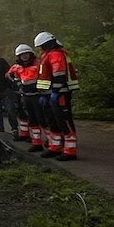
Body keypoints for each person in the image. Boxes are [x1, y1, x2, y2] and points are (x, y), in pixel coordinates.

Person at [35, 32, 79, 160]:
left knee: (64, 121)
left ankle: (70, 150)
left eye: (42, 46)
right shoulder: (47, 55)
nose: (41, 48)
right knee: (53, 121)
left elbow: (59, 74)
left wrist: (55, 91)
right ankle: (55, 147)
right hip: (50, 94)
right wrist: (44, 93)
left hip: (60, 93)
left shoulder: (56, 54)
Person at [8, 45, 39, 144]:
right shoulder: (17, 66)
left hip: (38, 95)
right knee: (23, 115)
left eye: (26, 54)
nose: (24, 56)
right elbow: (8, 74)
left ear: (31, 54)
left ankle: (46, 140)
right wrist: (15, 81)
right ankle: (26, 134)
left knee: (38, 117)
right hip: (23, 95)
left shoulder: (38, 64)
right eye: (22, 55)